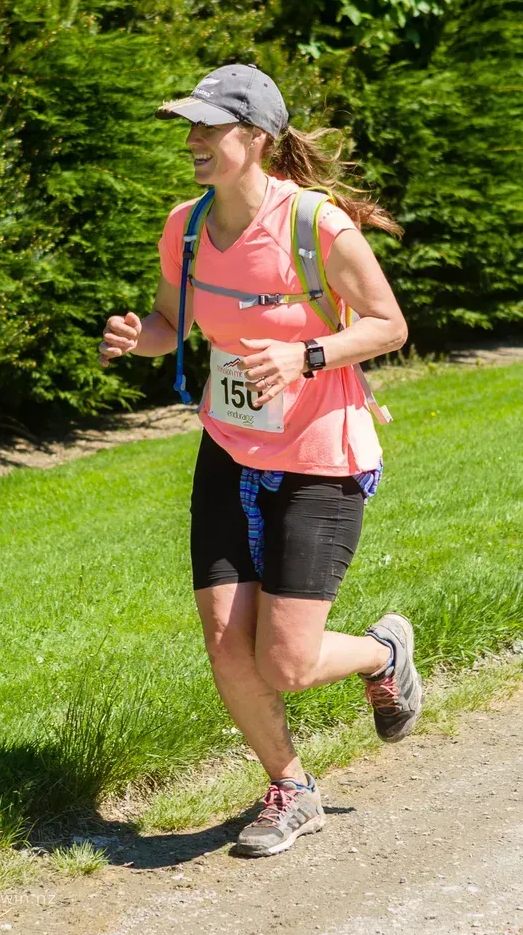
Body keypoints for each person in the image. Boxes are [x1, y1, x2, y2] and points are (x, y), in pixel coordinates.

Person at [98, 63, 423, 858]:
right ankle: (290, 786)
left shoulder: (315, 226)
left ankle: (385, 651)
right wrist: (144, 338)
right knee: (222, 635)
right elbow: (178, 321)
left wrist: (306, 354)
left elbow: (388, 325)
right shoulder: (184, 225)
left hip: (322, 454)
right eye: (191, 125)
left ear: (256, 138)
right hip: (231, 447)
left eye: (210, 126)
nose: (194, 139)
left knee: (286, 660)